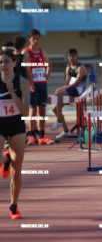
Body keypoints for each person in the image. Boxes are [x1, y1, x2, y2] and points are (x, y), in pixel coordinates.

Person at [0, 51, 29, 219]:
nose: (3, 65)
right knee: (6, 160)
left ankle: (13, 206)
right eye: (1, 62)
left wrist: (12, 92)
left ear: (14, 64)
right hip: (0, 125)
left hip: (17, 126)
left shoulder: (22, 82)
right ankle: (6, 159)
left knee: (16, 171)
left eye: (6, 62)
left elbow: (25, 111)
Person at [23, 29, 54, 145]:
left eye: (37, 38)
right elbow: (22, 69)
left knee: (42, 110)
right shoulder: (26, 52)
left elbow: (49, 65)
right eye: (33, 38)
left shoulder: (43, 52)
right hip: (32, 85)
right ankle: (31, 135)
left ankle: (42, 135)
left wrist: (46, 76)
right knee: (32, 110)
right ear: (29, 39)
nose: (36, 41)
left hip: (42, 85)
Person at [50, 48, 87, 139]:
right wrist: (62, 89)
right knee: (54, 108)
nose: (71, 58)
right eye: (70, 56)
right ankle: (66, 131)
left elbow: (76, 83)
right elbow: (67, 82)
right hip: (70, 90)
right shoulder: (68, 68)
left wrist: (61, 89)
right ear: (67, 57)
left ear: (77, 56)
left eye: (73, 56)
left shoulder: (81, 67)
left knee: (58, 93)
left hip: (78, 91)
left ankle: (59, 120)